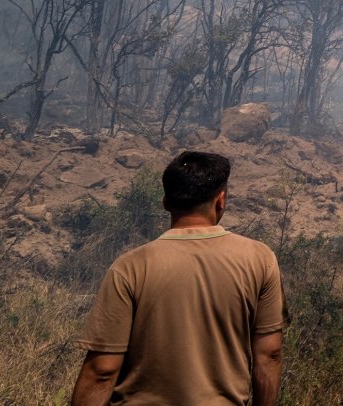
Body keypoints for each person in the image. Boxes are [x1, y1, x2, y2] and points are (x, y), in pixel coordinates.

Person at [70, 151, 287, 406]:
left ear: (165, 202)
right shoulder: (260, 259)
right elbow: (269, 354)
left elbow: (102, 371)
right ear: (221, 200)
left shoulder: (130, 267)